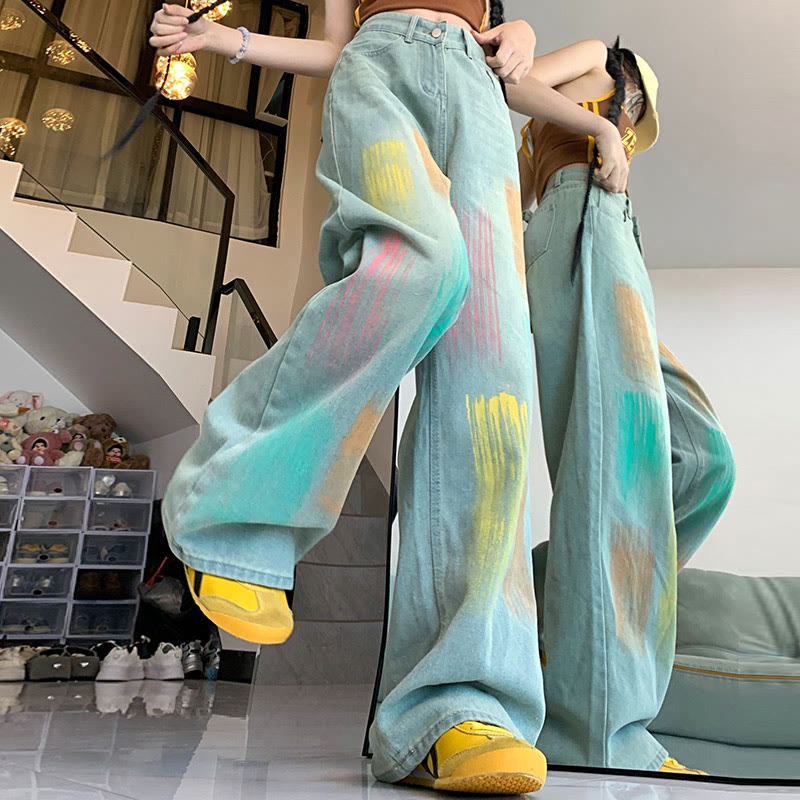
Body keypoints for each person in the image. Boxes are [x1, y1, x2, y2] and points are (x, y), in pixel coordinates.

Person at [147, 2, 632, 792]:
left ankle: (461, 707)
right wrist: (226, 40)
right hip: (380, 68)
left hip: (480, 100)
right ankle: (232, 516)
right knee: (419, 265)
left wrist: (574, 98)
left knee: (493, 384)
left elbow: (515, 79)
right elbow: (334, 46)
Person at [513, 39, 736, 775]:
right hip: (580, 227)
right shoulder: (598, 63)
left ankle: (565, 584)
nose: (632, 125)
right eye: (634, 113)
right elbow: (512, 83)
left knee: (706, 463)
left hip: (610, 235)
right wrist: (601, 131)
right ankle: (604, 736)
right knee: (609, 470)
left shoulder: (589, 139)